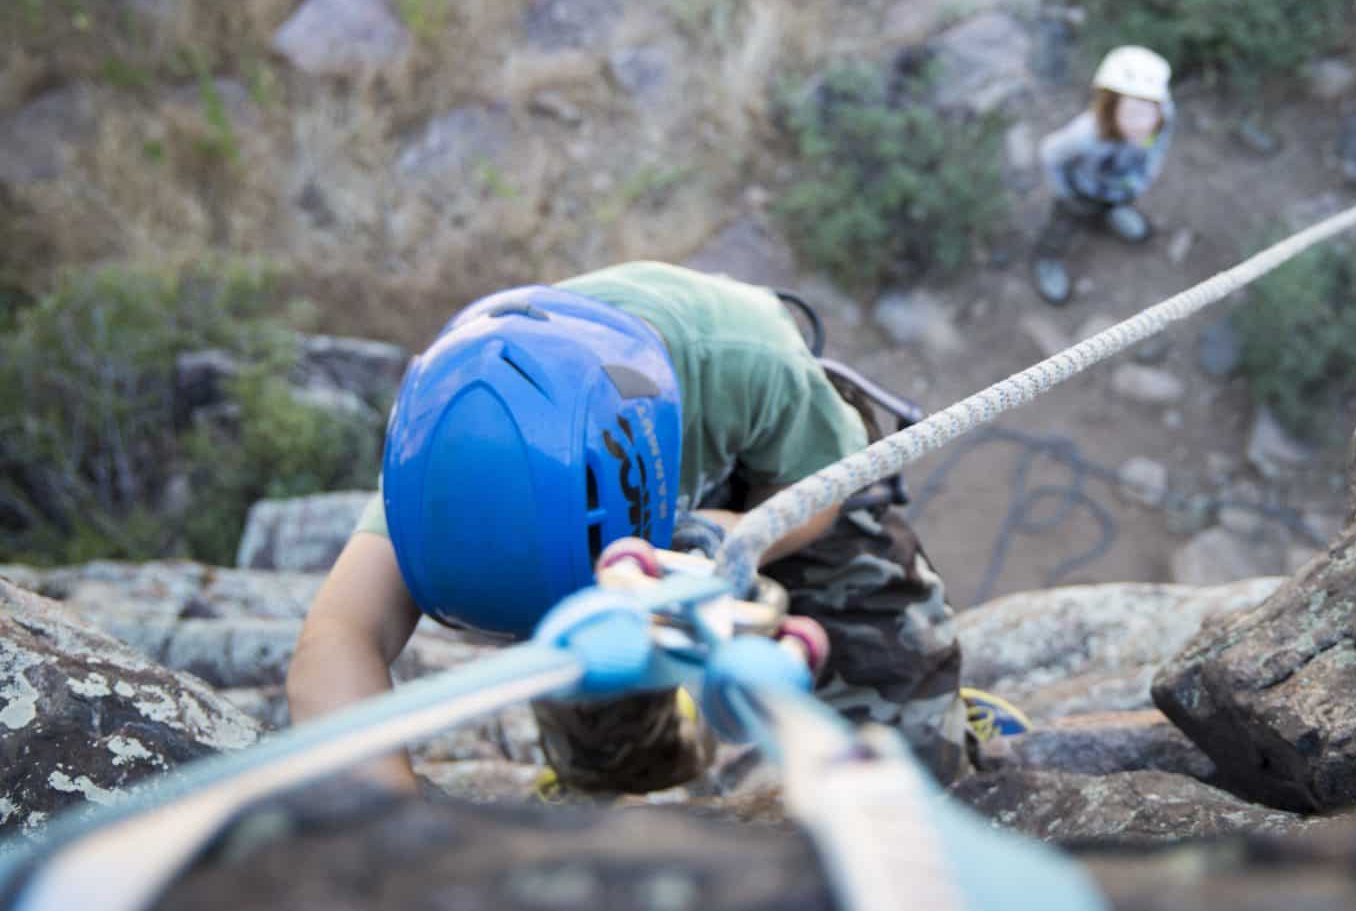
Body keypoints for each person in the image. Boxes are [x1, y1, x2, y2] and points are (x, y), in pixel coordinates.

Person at [286, 262, 970, 796]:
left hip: (771, 492)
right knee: (612, 754)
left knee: (914, 738)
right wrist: (388, 836)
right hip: (607, 543)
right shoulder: (449, 452)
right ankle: (657, 756)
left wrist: (721, 538)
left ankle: (935, 729)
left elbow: (825, 488)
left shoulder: (740, 354)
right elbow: (340, 637)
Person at [1031, 46, 1175, 306]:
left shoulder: (1163, 116)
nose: (1145, 123)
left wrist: (1148, 173)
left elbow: (1160, 144)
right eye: (1133, 112)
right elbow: (1049, 153)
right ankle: (1048, 258)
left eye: (1150, 109)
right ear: (1109, 107)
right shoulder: (1086, 134)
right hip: (1081, 191)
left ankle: (1111, 214)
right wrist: (1064, 191)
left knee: (1116, 204)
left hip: (1123, 189)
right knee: (1063, 225)